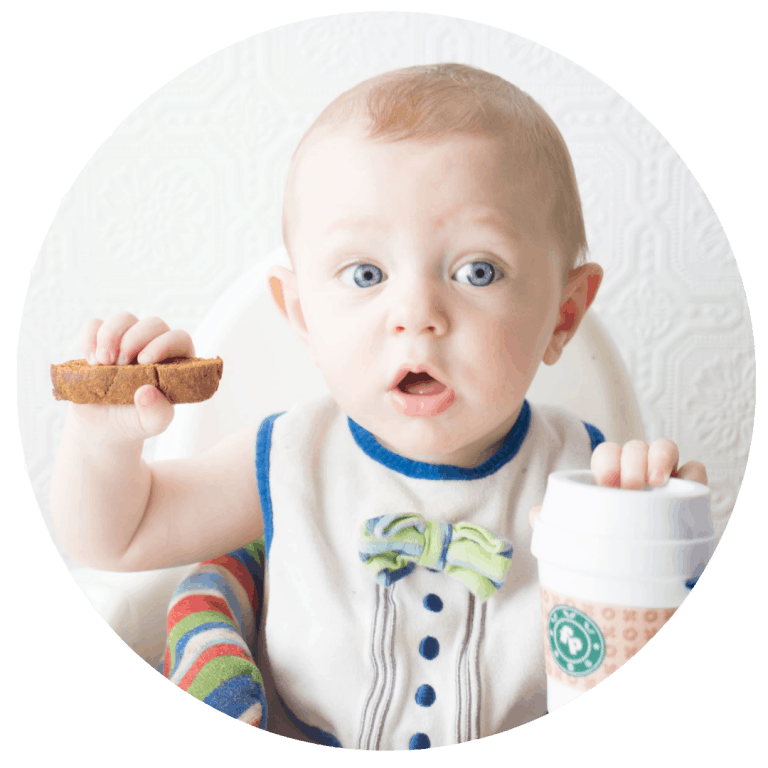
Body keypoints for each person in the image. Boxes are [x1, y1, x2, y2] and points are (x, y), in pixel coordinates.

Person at [50, 63, 707, 750]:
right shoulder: (289, 459)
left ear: (563, 315)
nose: (416, 314)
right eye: (366, 274)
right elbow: (116, 539)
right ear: (302, 316)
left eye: (477, 271)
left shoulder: (586, 479)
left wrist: (655, 533)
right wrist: (103, 439)